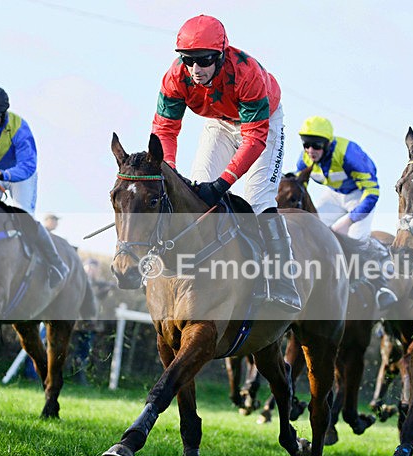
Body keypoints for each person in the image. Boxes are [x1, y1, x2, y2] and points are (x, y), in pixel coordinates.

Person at [152, 14, 299, 313]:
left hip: (262, 123)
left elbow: (255, 139)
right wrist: (168, 172)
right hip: (219, 122)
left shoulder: (247, 73)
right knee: (193, 194)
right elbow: (164, 129)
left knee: (257, 198)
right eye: (188, 60)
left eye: (204, 60)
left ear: (220, 56)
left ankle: (284, 280)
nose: (196, 69)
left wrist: (223, 184)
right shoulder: (174, 77)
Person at [0, 85, 69, 288]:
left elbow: (28, 166)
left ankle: (56, 264)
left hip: (20, 175)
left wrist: (2, 175)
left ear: (3, 115)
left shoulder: (19, 129)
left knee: (23, 216)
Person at [294, 116, 396, 310]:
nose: (310, 150)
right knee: (312, 228)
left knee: (356, 239)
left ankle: (381, 285)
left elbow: (373, 192)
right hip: (334, 195)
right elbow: (300, 189)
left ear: (327, 143)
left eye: (315, 145)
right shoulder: (305, 158)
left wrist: (350, 220)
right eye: (306, 144)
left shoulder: (349, 155)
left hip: (360, 195)